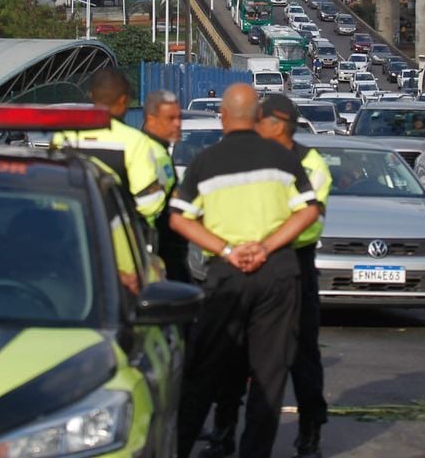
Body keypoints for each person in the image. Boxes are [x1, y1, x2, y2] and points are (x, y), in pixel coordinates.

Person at [169, 84, 318, 458]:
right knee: (269, 376)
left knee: (203, 371)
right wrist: (266, 246)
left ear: (222, 117)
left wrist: (229, 249)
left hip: (227, 277)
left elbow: (179, 219)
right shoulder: (283, 159)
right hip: (278, 273)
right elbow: (308, 211)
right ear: (256, 118)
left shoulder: (206, 161)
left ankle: (181, 446)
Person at [204, 94, 332, 458]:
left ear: (277, 125)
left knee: (302, 354)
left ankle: (309, 435)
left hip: (292, 265)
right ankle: (223, 430)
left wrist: (264, 240)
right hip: (245, 262)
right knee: (232, 353)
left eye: (260, 121)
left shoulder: (311, 163)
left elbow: (311, 223)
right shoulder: (252, 157)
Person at [52, 68, 170, 225]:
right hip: (116, 238)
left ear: (91, 95)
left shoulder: (64, 137)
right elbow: (149, 203)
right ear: (124, 100)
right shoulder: (134, 141)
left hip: (70, 232)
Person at [141, 89, 188, 283]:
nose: (178, 124)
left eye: (179, 117)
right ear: (151, 120)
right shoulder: (147, 153)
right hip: (157, 251)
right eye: (170, 119)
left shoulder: (159, 149)